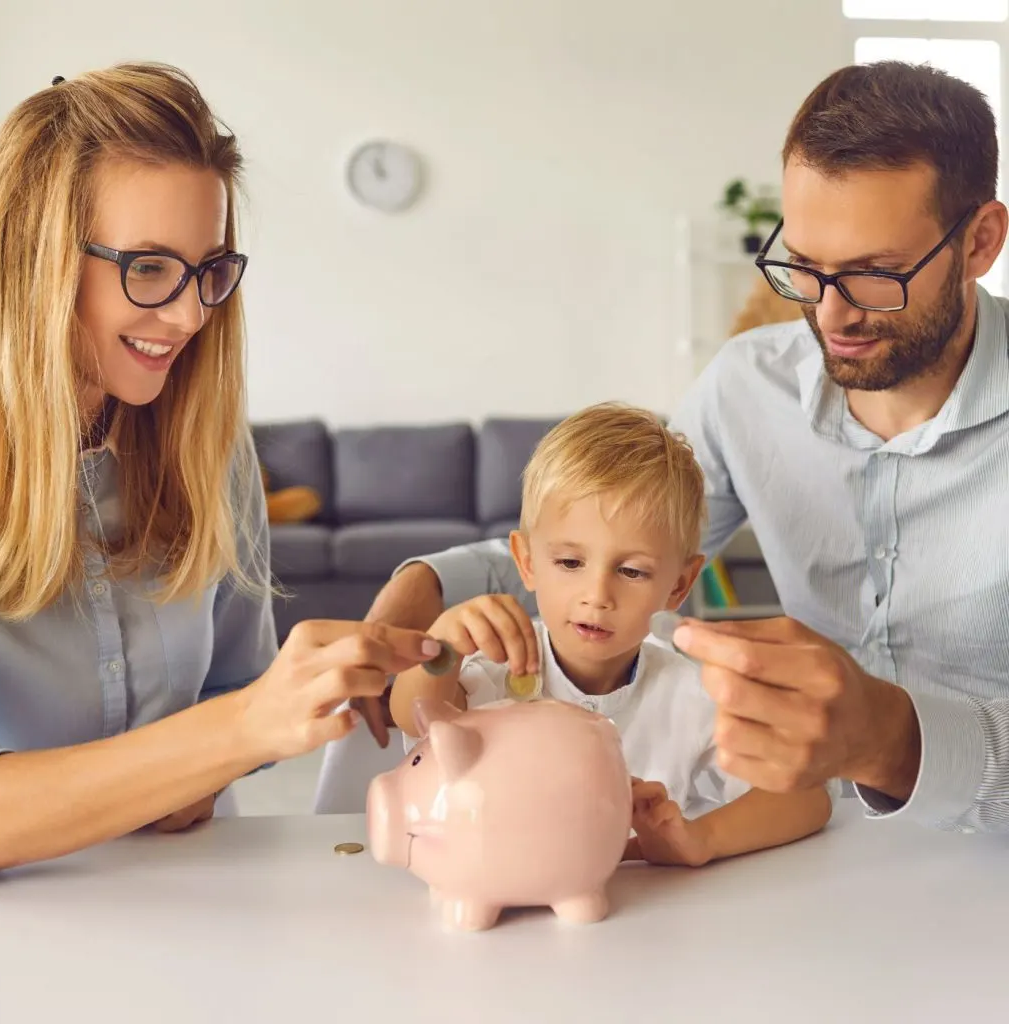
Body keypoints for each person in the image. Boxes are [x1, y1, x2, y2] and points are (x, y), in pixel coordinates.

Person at [365, 60, 1009, 835]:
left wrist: (894, 743)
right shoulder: (748, 386)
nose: (830, 314)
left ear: (980, 241)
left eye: (875, 275)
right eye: (804, 267)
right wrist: (429, 582)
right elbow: (614, 544)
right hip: (811, 844)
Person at [0, 62, 442, 875]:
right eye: (149, 267)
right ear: (35, 260)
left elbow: (237, 684)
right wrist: (234, 733)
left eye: (208, 270)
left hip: (202, 903)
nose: (192, 313)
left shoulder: (206, 443)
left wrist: (256, 729)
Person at [389, 403, 833, 866]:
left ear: (679, 585)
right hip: (502, 899)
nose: (597, 595)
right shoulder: (498, 666)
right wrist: (442, 648)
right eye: (570, 563)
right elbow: (412, 714)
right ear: (526, 561)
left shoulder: (691, 691)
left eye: (631, 571)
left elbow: (806, 795)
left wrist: (702, 839)